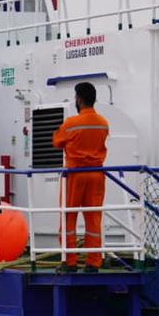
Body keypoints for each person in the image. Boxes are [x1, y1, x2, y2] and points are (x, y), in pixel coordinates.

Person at [52, 82, 110, 272]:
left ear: (79, 99)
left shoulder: (70, 123)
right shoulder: (103, 123)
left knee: (68, 216)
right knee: (93, 218)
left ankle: (70, 261)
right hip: (96, 175)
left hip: (74, 175)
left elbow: (56, 142)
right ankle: (93, 261)